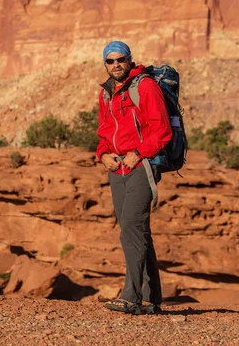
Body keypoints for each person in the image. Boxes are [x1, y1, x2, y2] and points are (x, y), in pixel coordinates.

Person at [96, 40, 172, 315]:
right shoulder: (107, 92)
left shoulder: (145, 86)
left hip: (142, 166)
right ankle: (152, 298)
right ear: (105, 64)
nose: (116, 64)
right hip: (117, 168)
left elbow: (162, 129)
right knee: (138, 231)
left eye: (121, 59)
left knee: (131, 228)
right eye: (110, 60)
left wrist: (139, 153)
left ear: (130, 59)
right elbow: (103, 130)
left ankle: (131, 296)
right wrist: (102, 154)